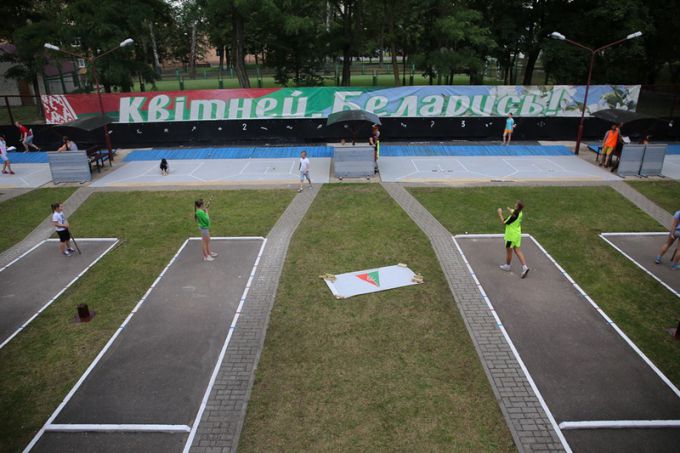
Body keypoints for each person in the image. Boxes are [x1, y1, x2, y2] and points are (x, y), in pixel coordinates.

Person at [498, 201, 530, 278]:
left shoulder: (512, 217)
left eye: (516, 204)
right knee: (518, 250)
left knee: (509, 252)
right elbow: (514, 212)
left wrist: (500, 213)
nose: (515, 204)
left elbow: (504, 222)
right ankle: (525, 267)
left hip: (510, 236)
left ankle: (507, 266)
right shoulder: (520, 212)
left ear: (517, 207)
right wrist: (509, 209)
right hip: (517, 235)